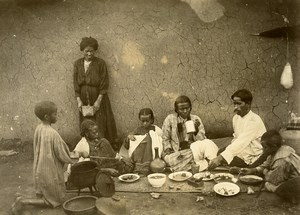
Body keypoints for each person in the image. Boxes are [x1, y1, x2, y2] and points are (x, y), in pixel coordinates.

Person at [11, 101, 73, 215]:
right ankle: (23, 201)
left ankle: (20, 198)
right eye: (55, 114)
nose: (57, 116)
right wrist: (72, 156)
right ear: (47, 116)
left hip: (39, 168)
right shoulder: (53, 133)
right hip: (49, 171)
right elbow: (62, 153)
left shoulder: (39, 128)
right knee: (55, 201)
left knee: (46, 193)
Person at [73, 36, 118, 150]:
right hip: (83, 97)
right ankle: (88, 147)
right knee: (86, 122)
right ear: (82, 51)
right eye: (86, 51)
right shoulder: (77, 64)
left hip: (98, 97)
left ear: (95, 51)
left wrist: (98, 101)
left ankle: (103, 147)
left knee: (100, 122)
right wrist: (79, 100)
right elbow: (75, 83)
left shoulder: (100, 63)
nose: (89, 54)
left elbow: (104, 82)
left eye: (91, 51)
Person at [208, 89, 267, 170]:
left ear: (248, 104)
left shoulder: (254, 120)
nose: (235, 107)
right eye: (234, 103)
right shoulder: (236, 118)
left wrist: (220, 158)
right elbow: (236, 138)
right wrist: (224, 154)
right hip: (241, 149)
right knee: (220, 152)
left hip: (251, 153)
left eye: (239, 104)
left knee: (224, 158)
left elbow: (241, 142)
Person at [162, 95, 218, 172]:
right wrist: (168, 149)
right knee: (170, 159)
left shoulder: (196, 119)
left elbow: (202, 141)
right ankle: (198, 165)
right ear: (177, 110)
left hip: (192, 151)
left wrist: (196, 130)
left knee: (208, 145)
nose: (185, 111)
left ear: (190, 107)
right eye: (181, 109)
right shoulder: (170, 119)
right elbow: (165, 137)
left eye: (187, 108)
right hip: (176, 152)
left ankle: (179, 167)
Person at [241, 130, 300, 202]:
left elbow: (272, 179)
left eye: (265, 147)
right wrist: (253, 170)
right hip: (285, 176)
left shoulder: (281, 160)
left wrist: (265, 171)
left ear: (274, 147)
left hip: (296, 183)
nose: (263, 150)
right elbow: (267, 164)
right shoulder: (276, 150)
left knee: (269, 185)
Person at [67, 119, 132, 178]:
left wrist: (121, 159)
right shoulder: (83, 145)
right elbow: (86, 167)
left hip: (108, 164)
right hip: (97, 169)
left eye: (97, 132)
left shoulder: (99, 141)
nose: (97, 134)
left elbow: (113, 156)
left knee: (128, 166)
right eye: (94, 133)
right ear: (86, 134)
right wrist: (107, 170)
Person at [124, 108, 163, 174]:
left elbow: (161, 141)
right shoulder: (138, 130)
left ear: (152, 120)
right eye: (142, 121)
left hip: (151, 153)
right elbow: (127, 143)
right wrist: (130, 137)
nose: (144, 123)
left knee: (151, 137)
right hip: (139, 154)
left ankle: (147, 166)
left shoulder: (156, 129)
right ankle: (139, 167)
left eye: (147, 121)